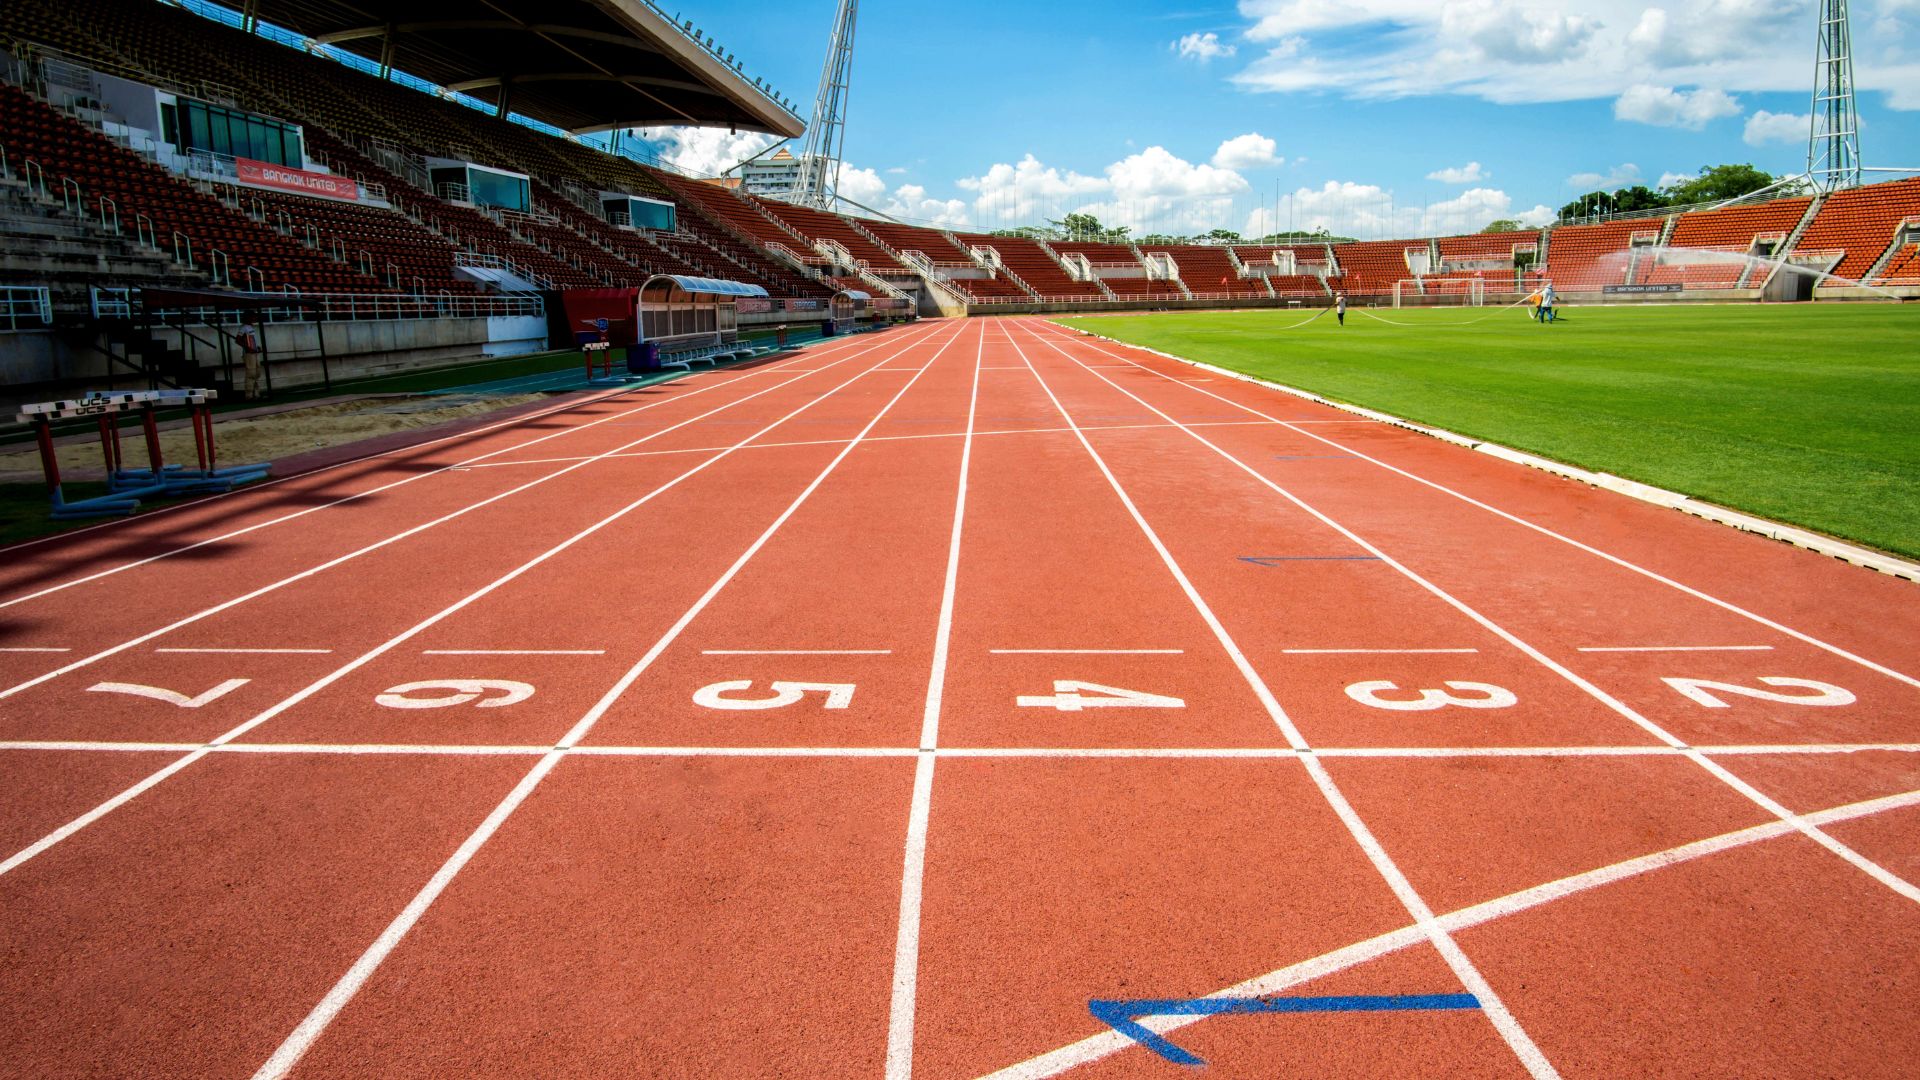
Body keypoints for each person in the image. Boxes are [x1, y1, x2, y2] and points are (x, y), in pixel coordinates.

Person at [236, 320, 264, 399]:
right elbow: (238, 340)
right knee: (251, 373)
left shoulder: (251, 327)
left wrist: (256, 347)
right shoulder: (243, 328)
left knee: (257, 373)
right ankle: (249, 395)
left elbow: (251, 341)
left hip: (254, 352)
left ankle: (256, 393)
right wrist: (248, 348)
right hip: (248, 353)